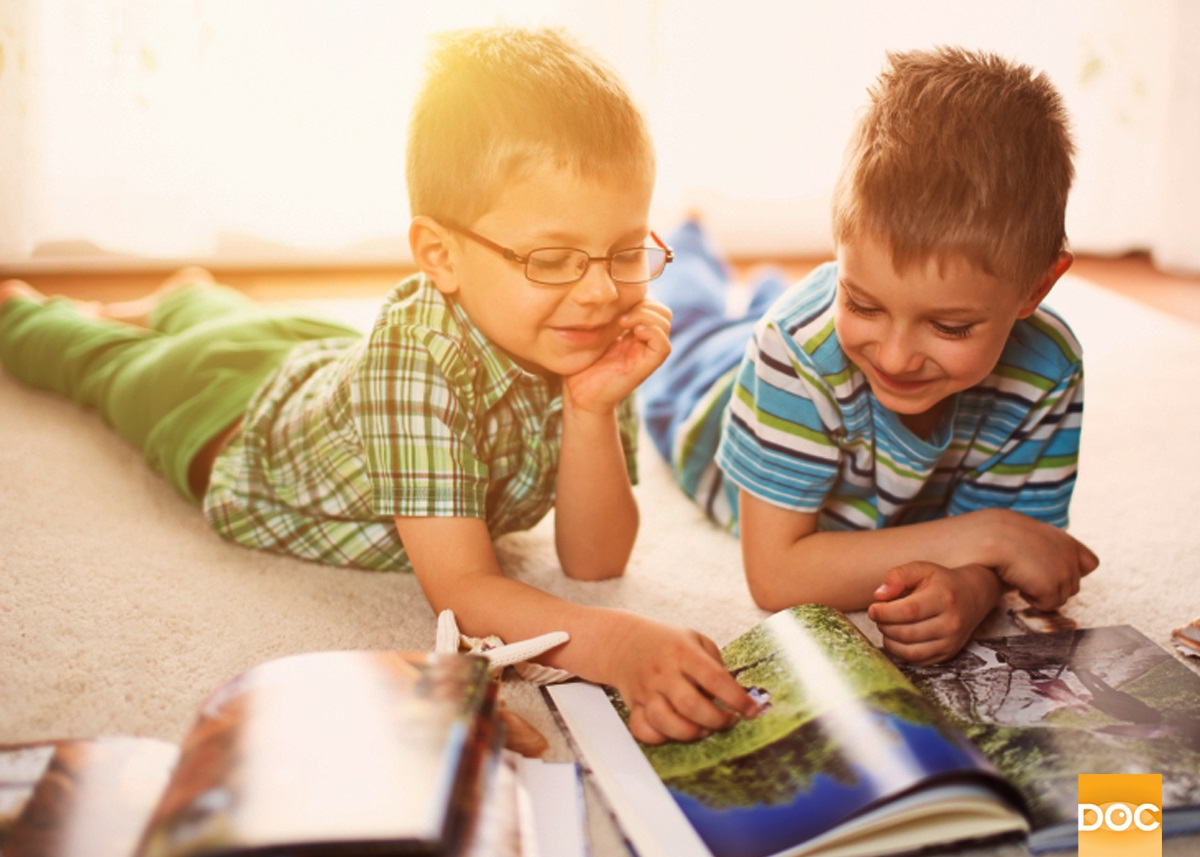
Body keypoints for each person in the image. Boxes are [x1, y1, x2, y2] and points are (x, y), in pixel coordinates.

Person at [0, 26, 758, 744]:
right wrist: (617, 644)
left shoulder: (578, 335)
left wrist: (590, 410)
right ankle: (33, 308)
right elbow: (462, 588)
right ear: (439, 254)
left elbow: (596, 562)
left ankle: (187, 295)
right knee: (93, 361)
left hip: (312, 355)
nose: (599, 291)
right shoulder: (415, 362)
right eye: (553, 258)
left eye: (624, 249)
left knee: (225, 322)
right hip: (220, 413)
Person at [641, 47, 1100, 666]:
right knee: (687, 308)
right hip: (706, 388)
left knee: (790, 312)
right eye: (862, 300)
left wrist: (971, 587)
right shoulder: (794, 350)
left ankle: (791, 290)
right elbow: (777, 574)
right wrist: (989, 536)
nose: (896, 356)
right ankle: (691, 236)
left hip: (807, 340)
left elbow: (1009, 559)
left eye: (948, 325)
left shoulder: (1047, 371)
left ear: (1036, 288)